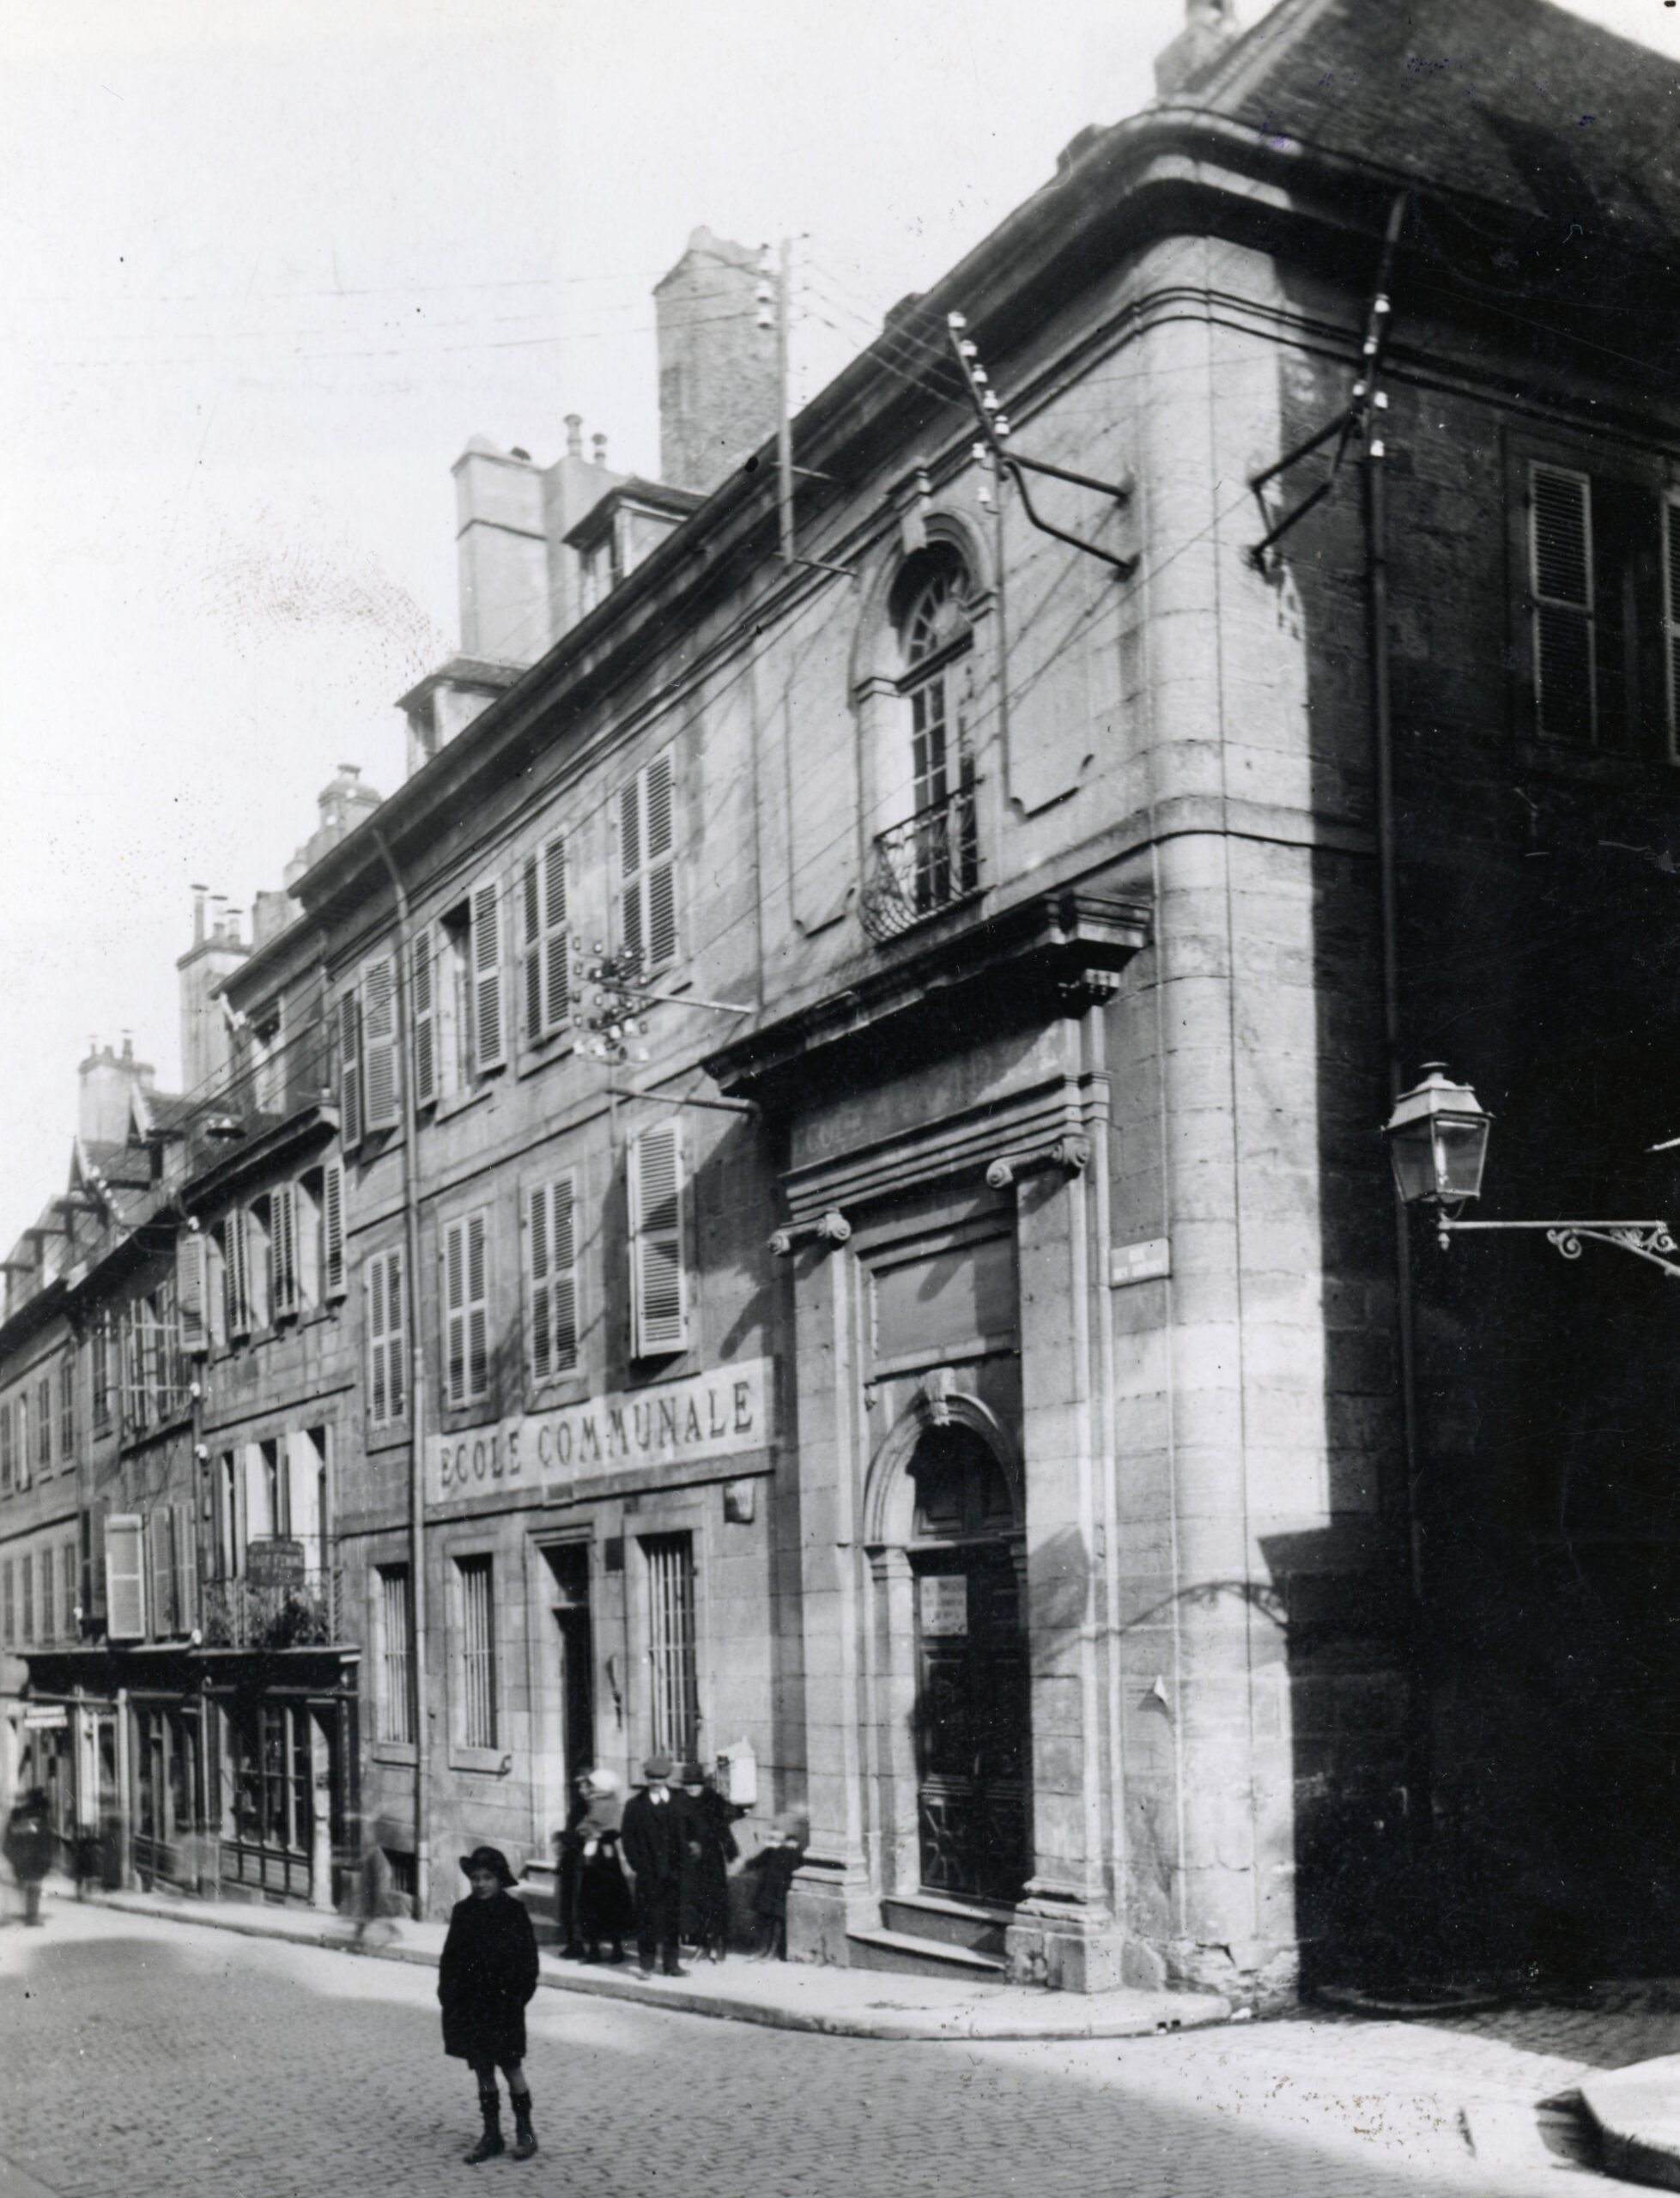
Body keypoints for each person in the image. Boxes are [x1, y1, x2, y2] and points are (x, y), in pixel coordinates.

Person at [438, 1846, 541, 2164]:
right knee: (483, 2069)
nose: (480, 1884)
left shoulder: (514, 1912)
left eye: (488, 1878)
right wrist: (451, 1996)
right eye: (475, 1878)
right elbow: (450, 1960)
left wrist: (515, 1998)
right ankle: (492, 2134)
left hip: (504, 2006)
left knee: (511, 2067)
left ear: (499, 1880)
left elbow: (529, 1964)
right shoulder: (463, 1912)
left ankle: (525, 2132)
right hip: (472, 2006)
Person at [619, 1753, 697, 1978]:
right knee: (647, 1919)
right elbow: (627, 1839)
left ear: (667, 1778)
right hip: (649, 1872)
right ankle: (646, 1965)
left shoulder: (680, 1801)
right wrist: (638, 1865)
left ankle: (672, 1965)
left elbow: (693, 1828)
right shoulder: (635, 1806)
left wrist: (689, 1852)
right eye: (651, 1777)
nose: (655, 1782)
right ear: (646, 1778)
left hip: (675, 1871)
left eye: (660, 1778)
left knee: (673, 1917)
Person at [568, 1770, 634, 1964]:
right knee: (594, 1903)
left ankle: (613, 1948)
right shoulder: (595, 1803)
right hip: (599, 1858)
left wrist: (593, 1832)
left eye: (594, 1785)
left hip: (603, 1858)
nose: (591, 1789)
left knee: (607, 1902)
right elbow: (583, 1827)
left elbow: (608, 1828)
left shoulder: (607, 1805)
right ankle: (599, 1949)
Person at [679, 1763, 740, 1964]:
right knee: (695, 1902)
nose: (691, 1788)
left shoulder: (713, 1800)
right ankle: (702, 1945)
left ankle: (719, 1945)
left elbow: (723, 1829)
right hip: (689, 1859)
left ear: (702, 1784)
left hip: (711, 1858)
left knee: (715, 1900)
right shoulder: (679, 1802)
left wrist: (731, 1853)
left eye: (695, 1784)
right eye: (688, 1784)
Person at [745, 1820, 804, 1960]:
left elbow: (796, 1868)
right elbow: (755, 1862)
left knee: (777, 1920)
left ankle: (773, 1951)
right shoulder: (772, 1850)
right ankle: (764, 1949)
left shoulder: (793, 1852)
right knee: (766, 1918)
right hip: (768, 1890)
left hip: (780, 1891)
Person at [4, 1789, 54, 1927]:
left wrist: (14, 1858)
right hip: (35, 1858)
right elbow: (44, 1840)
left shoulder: (19, 1816)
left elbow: (10, 1840)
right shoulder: (39, 1819)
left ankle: (30, 1915)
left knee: (29, 1886)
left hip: (23, 1858)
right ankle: (31, 1916)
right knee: (34, 1887)